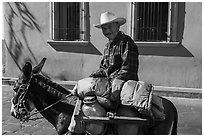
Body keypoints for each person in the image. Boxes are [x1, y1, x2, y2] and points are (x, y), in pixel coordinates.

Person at [67, 11, 139, 135]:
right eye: (104, 28)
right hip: (108, 82)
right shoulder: (108, 46)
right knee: (84, 92)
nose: (107, 31)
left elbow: (128, 68)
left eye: (110, 27)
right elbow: (104, 68)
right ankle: (77, 128)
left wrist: (111, 80)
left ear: (118, 26)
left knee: (105, 98)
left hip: (124, 82)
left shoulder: (126, 42)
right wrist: (94, 75)